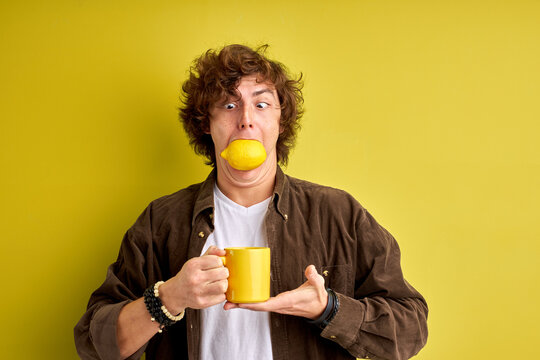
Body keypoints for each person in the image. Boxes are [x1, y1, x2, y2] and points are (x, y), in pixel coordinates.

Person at [74, 44, 428, 360]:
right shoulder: (162, 221)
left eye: (261, 104)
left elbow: (411, 327)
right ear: (207, 125)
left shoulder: (338, 214)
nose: (245, 120)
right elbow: (94, 342)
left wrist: (329, 308)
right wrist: (168, 298)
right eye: (229, 105)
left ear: (280, 122)